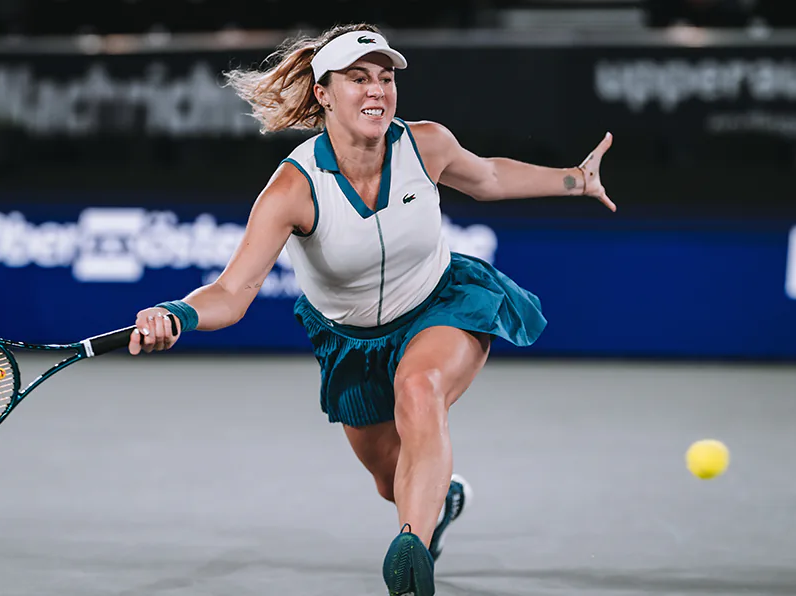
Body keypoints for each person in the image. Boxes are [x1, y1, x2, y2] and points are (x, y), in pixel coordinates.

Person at [127, 23, 614, 596]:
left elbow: (487, 177)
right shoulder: (293, 189)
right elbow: (232, 293)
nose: (377, 90)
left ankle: (410, 553)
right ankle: (440, 502)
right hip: (351, 343)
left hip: (440, 304)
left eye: (385, 78)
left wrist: (576, 180)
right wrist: (177, 314)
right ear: (324, 93)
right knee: (390, 480)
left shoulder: (425, 145)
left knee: (419, 388)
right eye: (358, 79)